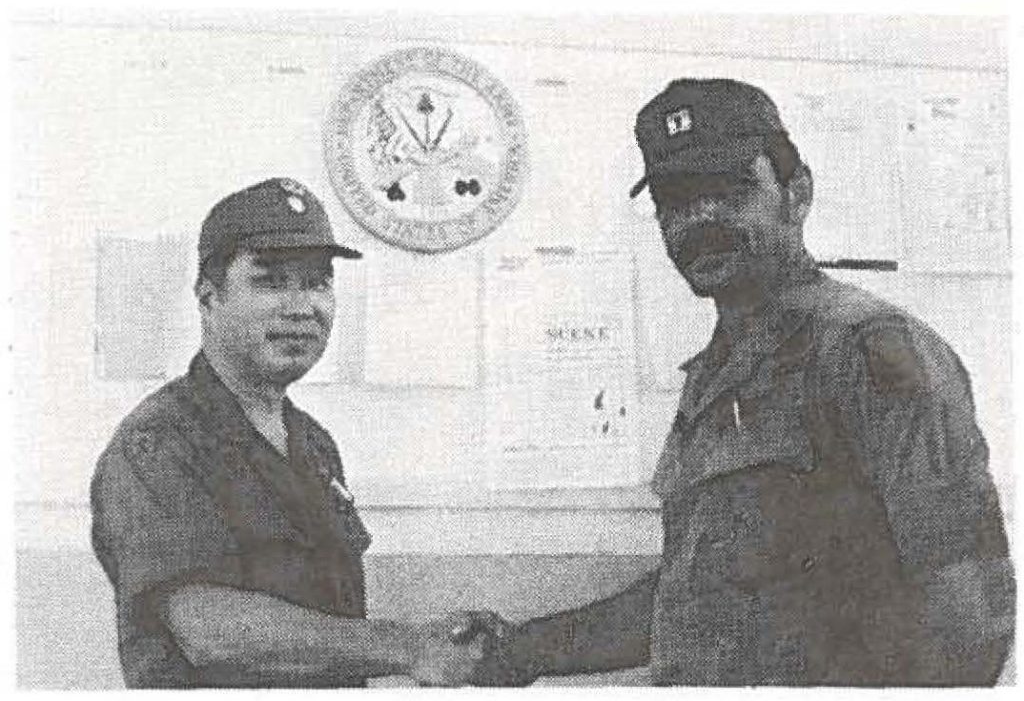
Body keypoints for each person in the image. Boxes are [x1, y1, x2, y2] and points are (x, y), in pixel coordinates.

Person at [465, 78, 1015, 686]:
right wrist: (523, 649)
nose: (699, 218)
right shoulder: (711, 378)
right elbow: (696, 598)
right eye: (675, 200)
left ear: (796, 194)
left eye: (728, 190)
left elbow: (969, 614)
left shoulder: (871, 350)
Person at [90, 178, 484, 688]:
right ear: (209, 299)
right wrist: (407, 647)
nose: (302, 307)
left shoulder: (314, 444)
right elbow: (206, 629)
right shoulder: (156, 444)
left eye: (318, 282)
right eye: (272, 281)